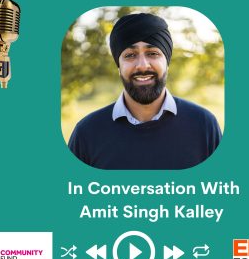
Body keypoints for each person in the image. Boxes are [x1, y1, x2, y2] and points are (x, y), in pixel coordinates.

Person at [68, 13, 222, 169]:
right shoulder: (87, 133)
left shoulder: (203, 125)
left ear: (167, 62)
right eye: (130, 55)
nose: (142, 65)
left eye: (153, 53)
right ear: (118, 66)